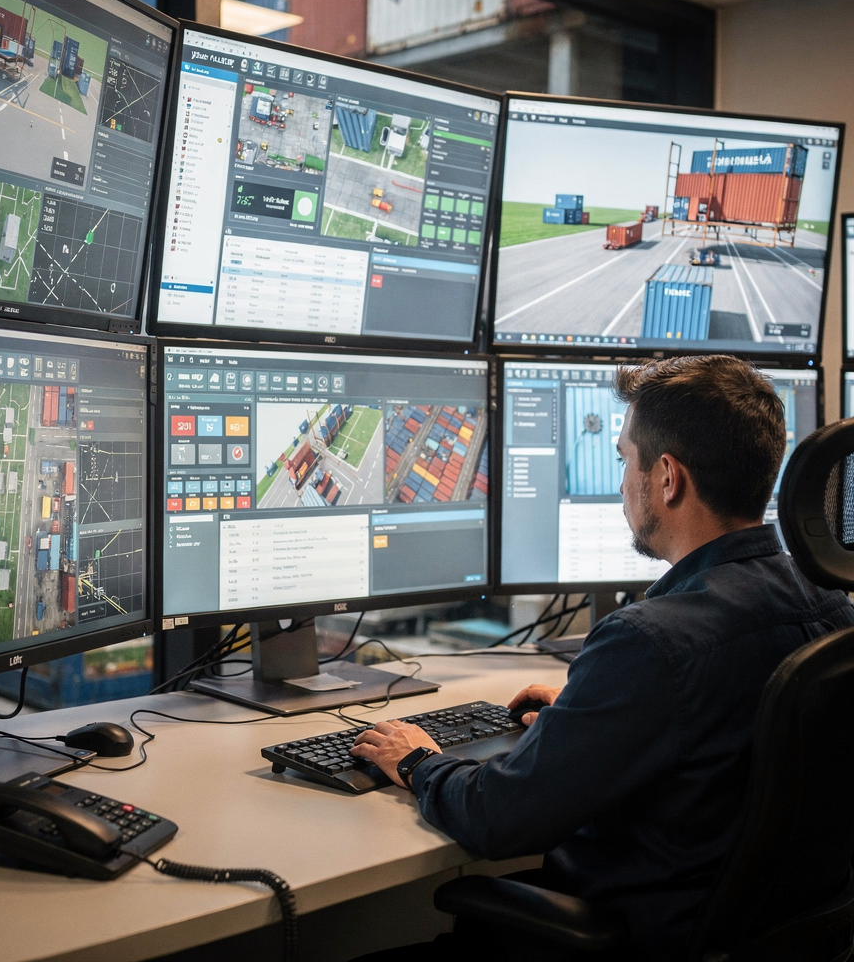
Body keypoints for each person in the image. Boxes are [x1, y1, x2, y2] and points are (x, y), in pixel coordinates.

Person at [351, 355, 854, 961]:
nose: (621, 483)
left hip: (640, 937)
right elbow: (730, 729)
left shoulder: (650, 641)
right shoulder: (830, 604)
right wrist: (596, 712)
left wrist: (418, 762)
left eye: (624, 460)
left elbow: (497, 819)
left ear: (667, 477)